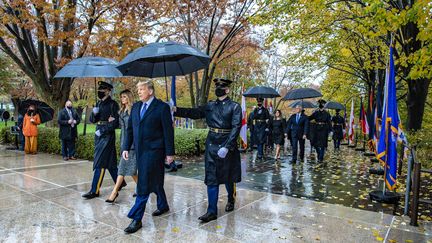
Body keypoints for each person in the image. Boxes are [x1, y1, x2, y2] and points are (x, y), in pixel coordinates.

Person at [173, 78, 241, 223]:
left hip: (226, 142)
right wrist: (175, 109)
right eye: (217, 86)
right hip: (212, 143)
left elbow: (236, 128)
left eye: (221, 87)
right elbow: (195, 113)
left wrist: (228, 146)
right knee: (212, 178)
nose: (218, 88)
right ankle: (211, 211)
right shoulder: (210, 105)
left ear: (227, 90)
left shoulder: (235, 107)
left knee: (228, 176)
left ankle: (231, 199)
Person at [122, 81, 175, 234]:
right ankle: (163, 205)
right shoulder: (136, 107)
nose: (138, 92)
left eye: (142, 89)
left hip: (155, 152)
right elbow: (130, 130)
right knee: (156, 181)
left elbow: (168, 132)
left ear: (150, 91)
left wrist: (170, 153)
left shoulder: (162, 107)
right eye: (138, 89)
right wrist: (126, 147)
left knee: (143, 184)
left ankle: (136, 218)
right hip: (140, 152)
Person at [82, 81, 123, 199]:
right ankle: (120, 183)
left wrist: (104, 130)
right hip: (98, 133)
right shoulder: (98, 103)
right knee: (110, 162)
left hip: (107, 135)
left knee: (100, 161)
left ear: (108, 91)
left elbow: (115, 123)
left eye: (102, 89)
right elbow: (92, 120)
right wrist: (94, 113)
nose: (100, 91)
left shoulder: (113, 104)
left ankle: (94, 190)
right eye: (99, 89)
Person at [106, 90, 138, 203]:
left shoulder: (134, 110)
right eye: (121, 97)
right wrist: (113, 120)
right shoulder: (122, 110)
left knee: (122, 168)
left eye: (124, 97)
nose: (122, 99)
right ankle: (142, 188)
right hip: (123, 141)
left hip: (132, 144)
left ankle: (114, 192)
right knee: (132, 170)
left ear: (129, 97)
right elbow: (121, 125)